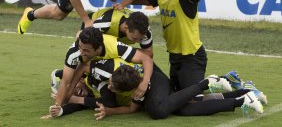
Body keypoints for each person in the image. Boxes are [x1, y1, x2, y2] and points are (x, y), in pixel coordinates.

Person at [128, 0, 207, 93]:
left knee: (192, 100)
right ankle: (216, 83)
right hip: (174, 57)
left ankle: (225, 82)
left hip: (191, 56)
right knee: (176, 96)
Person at [94, 65, 264, 120]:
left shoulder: (130, 77)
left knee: (157, 111)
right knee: (184, 108)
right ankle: (244, 95)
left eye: (112, 86)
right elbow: (132, 108)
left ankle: (207, 82)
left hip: (157, 80)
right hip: (151, 87)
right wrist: (108, 110)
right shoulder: (118, 77)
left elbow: (147, 58)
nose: (109, 88)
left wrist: (144, 83)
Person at [51, 27, 153, 114]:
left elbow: (147, 57)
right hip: (102, 72)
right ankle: (58, 74)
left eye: (85, 50)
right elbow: (67, 81)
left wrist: (145, 82)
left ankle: (60, 76)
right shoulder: (75, 54)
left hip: (117, 72)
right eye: (80, 47)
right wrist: (61, 104)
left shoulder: (115, 48)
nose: (81, 52)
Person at [81, 8, 153, 57]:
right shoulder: (105, 24)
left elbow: (148, 53)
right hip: (92, 23)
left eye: (140, 39)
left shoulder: (145, 30)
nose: (138, 42)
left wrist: (127, 51)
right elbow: (83, 37)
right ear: (126, 28)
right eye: (135, 38)